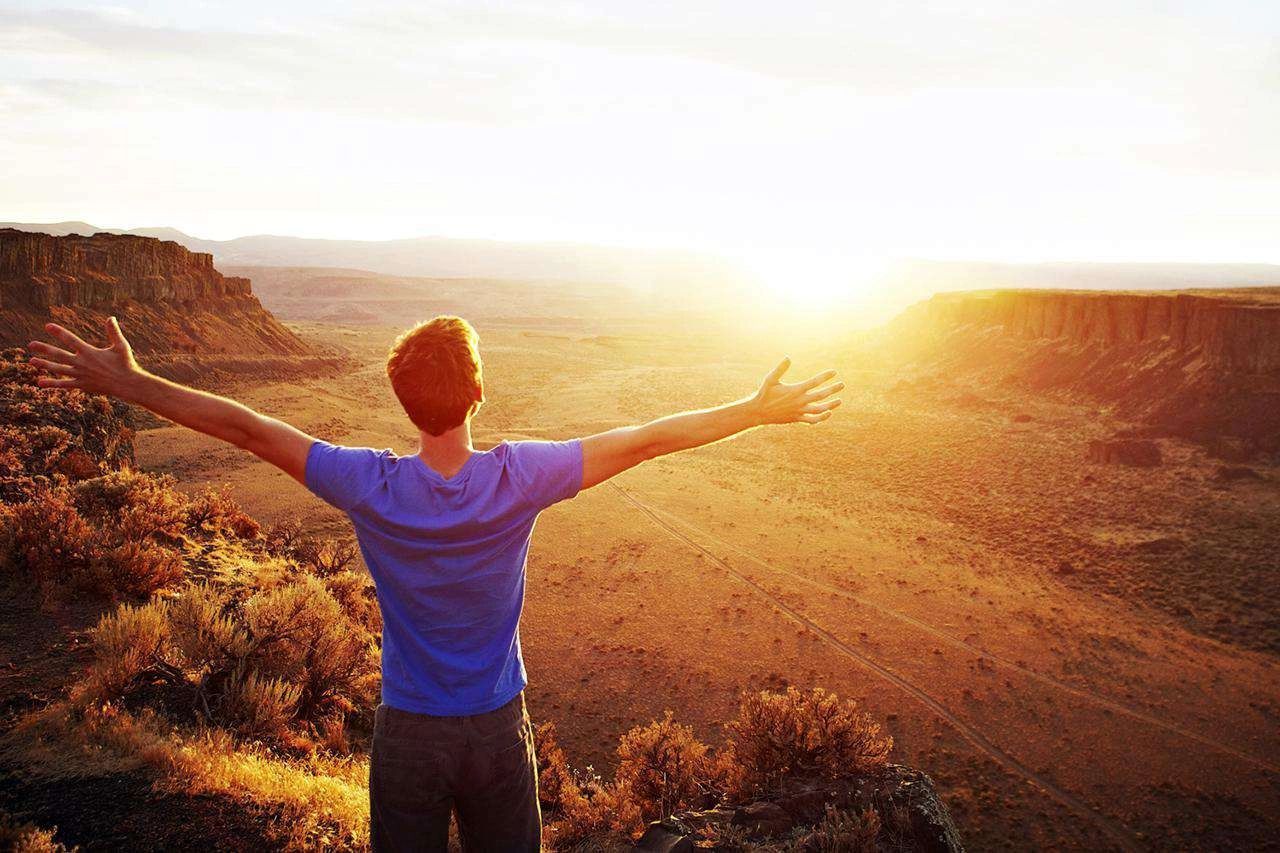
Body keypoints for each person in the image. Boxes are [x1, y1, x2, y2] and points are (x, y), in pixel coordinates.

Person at [26, 315, 842, 852]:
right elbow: (646, 441)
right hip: (495, 726)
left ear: (404, 402)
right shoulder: (521, 476)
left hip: (409, 730)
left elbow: (243, 426)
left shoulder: (368, 485)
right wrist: (752, 410)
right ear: (479, 392)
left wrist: (126, 383)